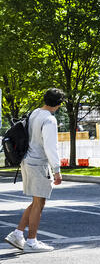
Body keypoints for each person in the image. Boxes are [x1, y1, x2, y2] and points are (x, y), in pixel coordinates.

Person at [4, 88, 65, 252]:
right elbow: (50, 146)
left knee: (37, 201)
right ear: (58, 104)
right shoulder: (49, 120)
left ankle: (17, 233)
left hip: (27, 160)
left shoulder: (35, 113)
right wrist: (57, 170)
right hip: (39, 163)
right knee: (39, 202)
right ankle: (31, 242)